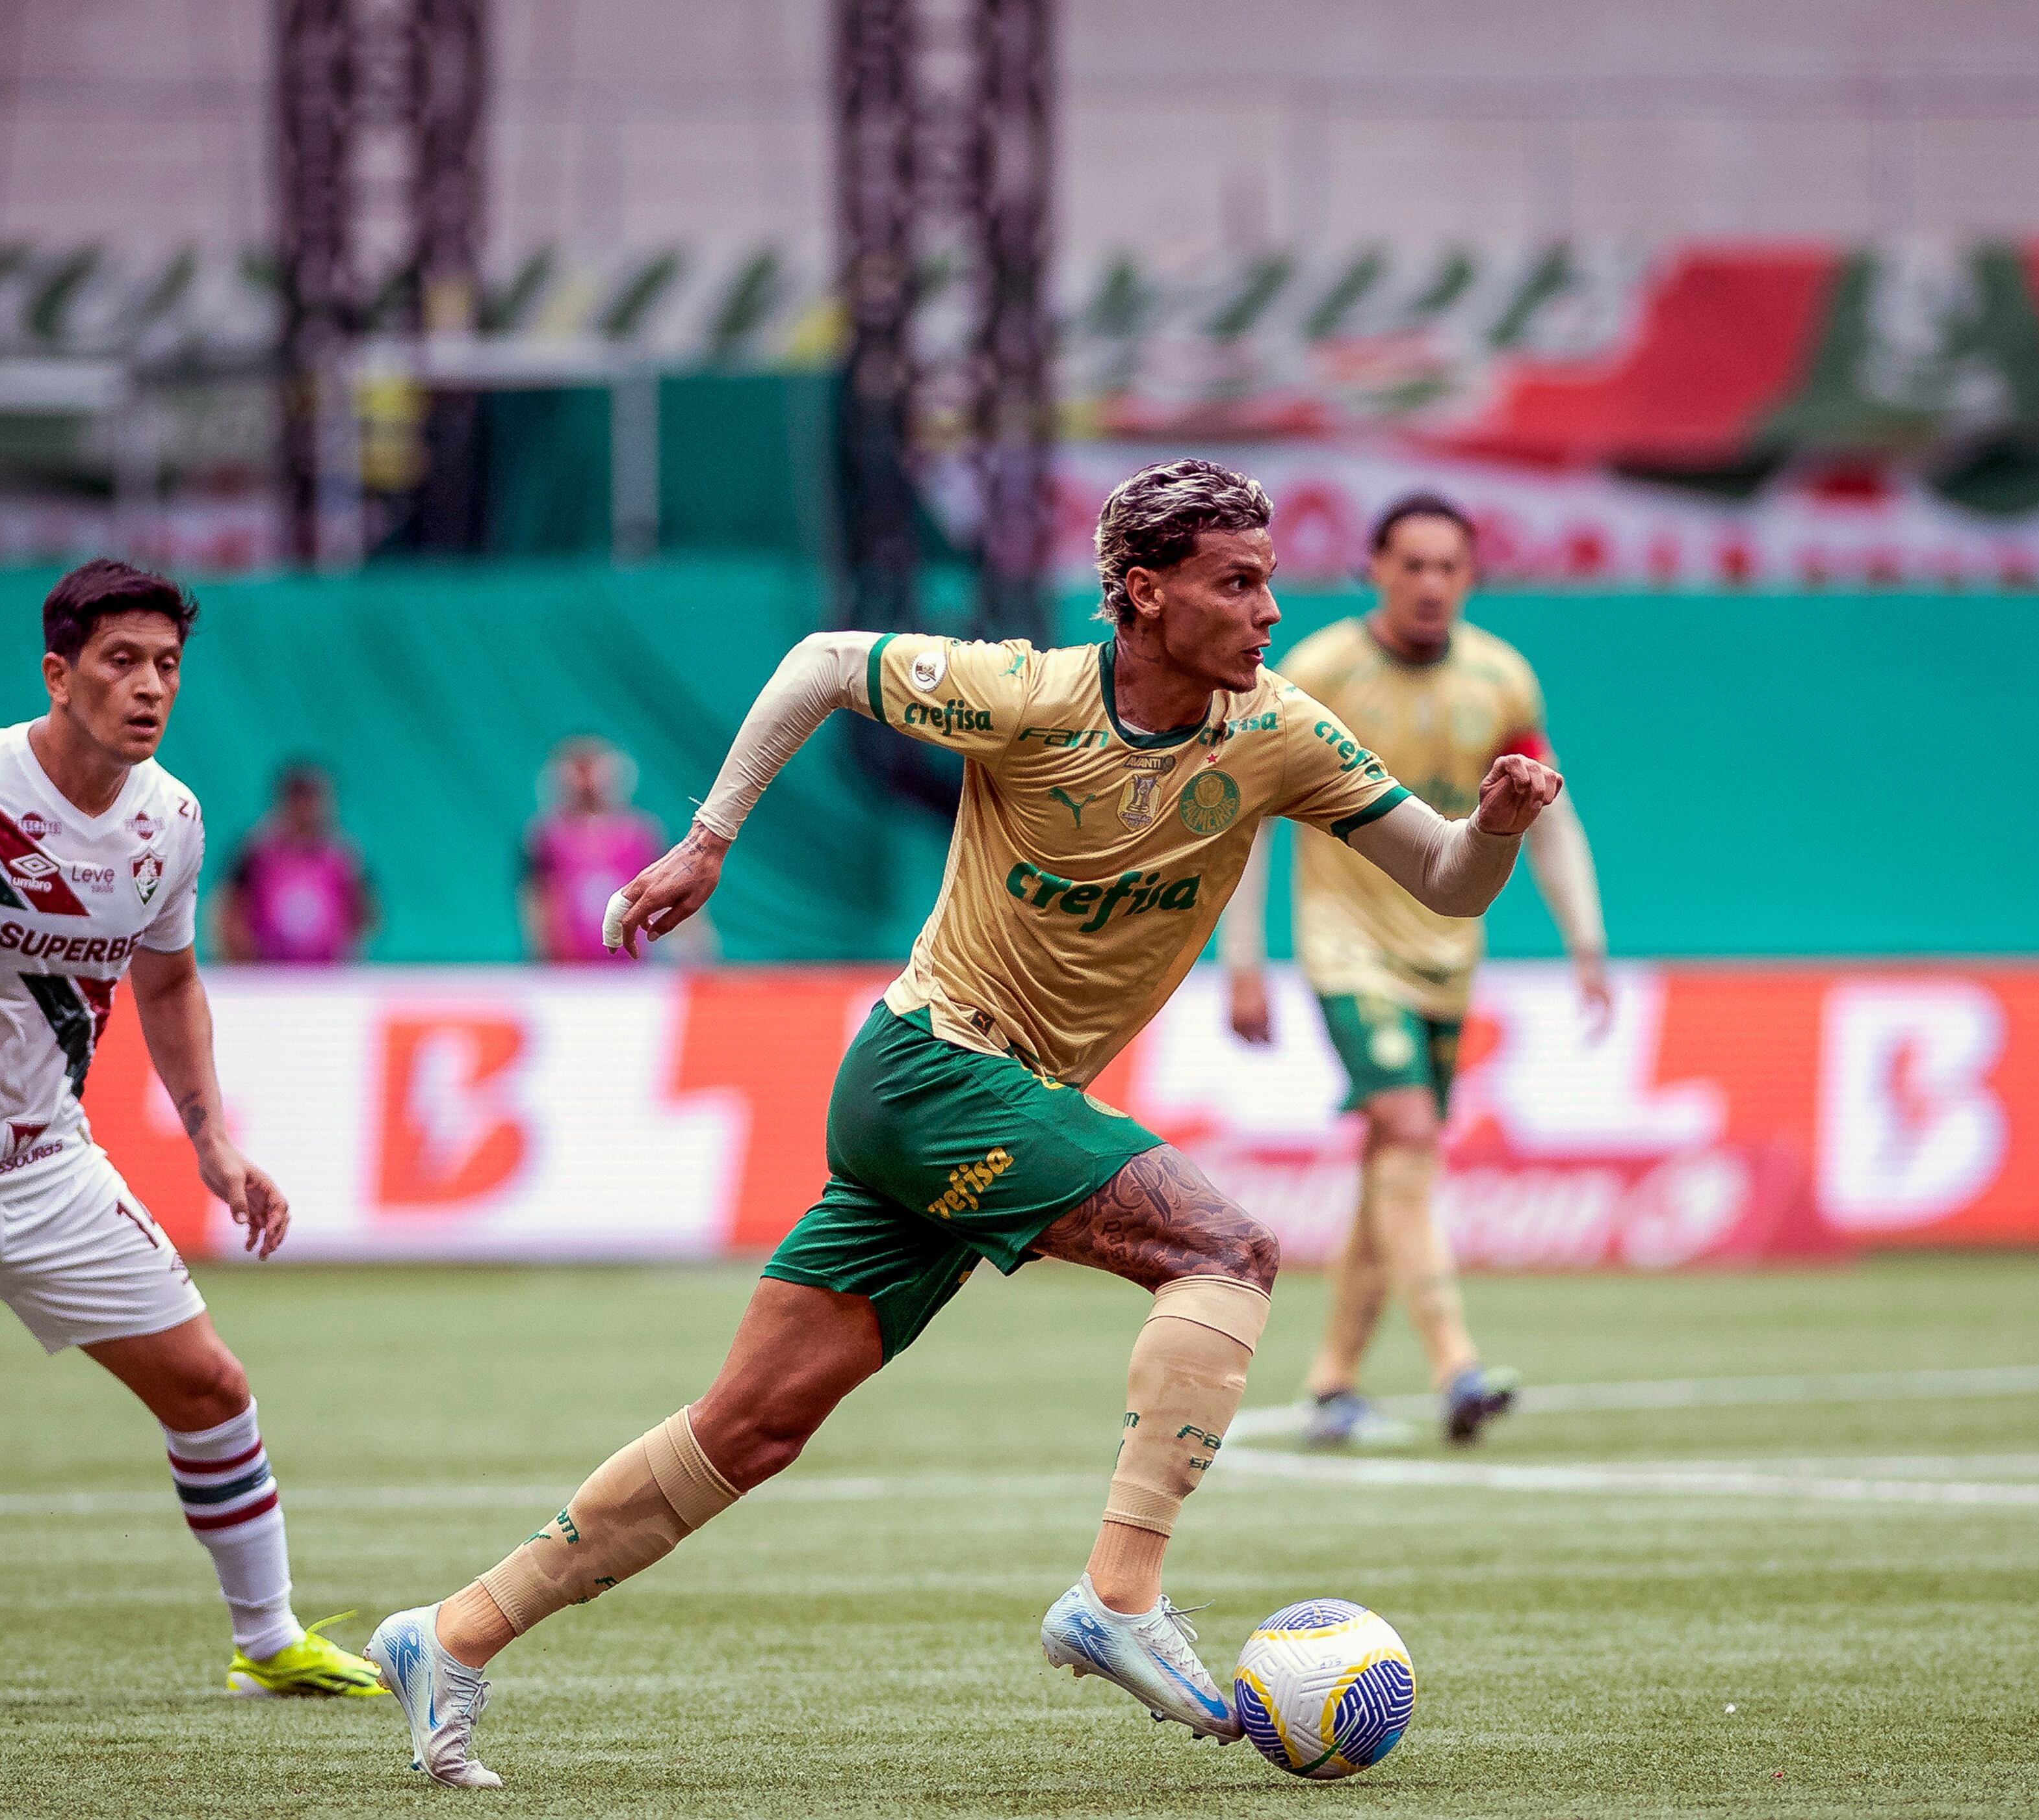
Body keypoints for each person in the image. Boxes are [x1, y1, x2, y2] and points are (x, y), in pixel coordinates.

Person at [362, 460, 1566, 1788]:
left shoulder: (1279, 731)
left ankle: (452, 1631)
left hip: (981, 1103)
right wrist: (709, 840)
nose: (1271, 609)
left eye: (1271, 578)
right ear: (1145, 594)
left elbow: (1449, 881)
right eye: (1240, 582)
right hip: (930, 1070)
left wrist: (1496, 827)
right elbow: (823, 660)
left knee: (749, 1427)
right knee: (1225, 1249)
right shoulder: (1035, 694)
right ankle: (1118, 1592)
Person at [0, 558, 381, 1699]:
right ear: (59, 673)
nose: (151, 687)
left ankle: (269, 1640)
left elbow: (172, 983)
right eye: (122, 662)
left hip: (48, 1175)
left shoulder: (174, 822)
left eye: (169, 666)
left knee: (210, 1388)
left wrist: (213, 1141)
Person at [1219, 493, 1609, 1448]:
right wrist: (1241, 959)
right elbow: (1245, 814)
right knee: (1408, 1126)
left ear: (1470, 577)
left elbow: (1547, 812)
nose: (1431, 584)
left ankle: (1332, 1382)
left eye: (1450, 567)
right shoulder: (1316, 673)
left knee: (1392, 1163)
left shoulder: (1502, 682)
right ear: (1376, 570)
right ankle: (1456, 1364)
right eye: (1413, 565)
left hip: (1447, 952)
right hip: (1344, 945)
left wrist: (1587, 943)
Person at [212, 761, 377, 963]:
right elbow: (227, 912)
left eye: (312, 798)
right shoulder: (256, 852)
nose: (305, 809)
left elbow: (368, 914)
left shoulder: (343, 856)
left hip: (328, 977)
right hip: (267, 976)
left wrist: (348, 952)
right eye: (298, 798)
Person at [520, 736, 665, 965]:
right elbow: (537, 901)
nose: (586, 780)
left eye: (593, 767)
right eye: (577, 769)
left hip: (633, 970)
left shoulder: (643, 833)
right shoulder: (545, 837)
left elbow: (666, 900)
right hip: (568, 971)